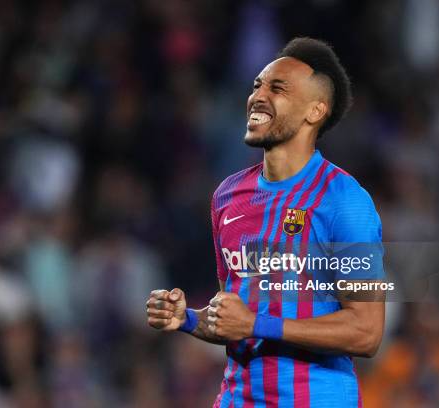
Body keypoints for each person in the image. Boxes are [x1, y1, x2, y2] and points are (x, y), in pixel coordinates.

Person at [146, 37, 385, 407]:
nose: (258, 95)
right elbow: (235, 314)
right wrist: (188, 319)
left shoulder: (344, 201)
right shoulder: (227, 195)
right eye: (257, 85)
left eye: (278, 88)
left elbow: (366, 331)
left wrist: (255, 324)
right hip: (237, 398)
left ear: (315, 111)